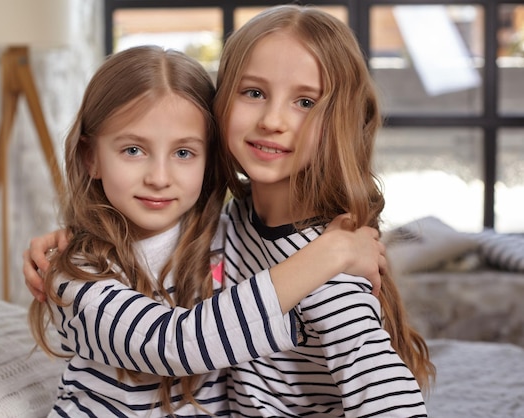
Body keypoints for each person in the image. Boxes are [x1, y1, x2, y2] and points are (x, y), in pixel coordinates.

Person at [26, 5, 435, 417]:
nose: (273, 120)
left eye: (305, 101)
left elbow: (387, 395)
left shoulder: (329, 271)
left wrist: (332, 257)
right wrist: (69, 240)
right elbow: (173, 342)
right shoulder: (230, 233)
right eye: (254, 93)